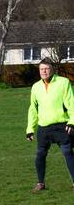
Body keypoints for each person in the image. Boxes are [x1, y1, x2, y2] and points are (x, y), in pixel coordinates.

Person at [26, 57, 74, 192]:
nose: (44, 71)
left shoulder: (63, 82)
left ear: (52, 69)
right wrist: (30, 128)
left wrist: (72, 122)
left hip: (62, 126)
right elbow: (33, 109)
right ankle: (40, 184)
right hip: (44, 128)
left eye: (47, 68)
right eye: (42, 69)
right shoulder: (35, 87)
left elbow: (71, 103)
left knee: (67, 152)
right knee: (40, 154)